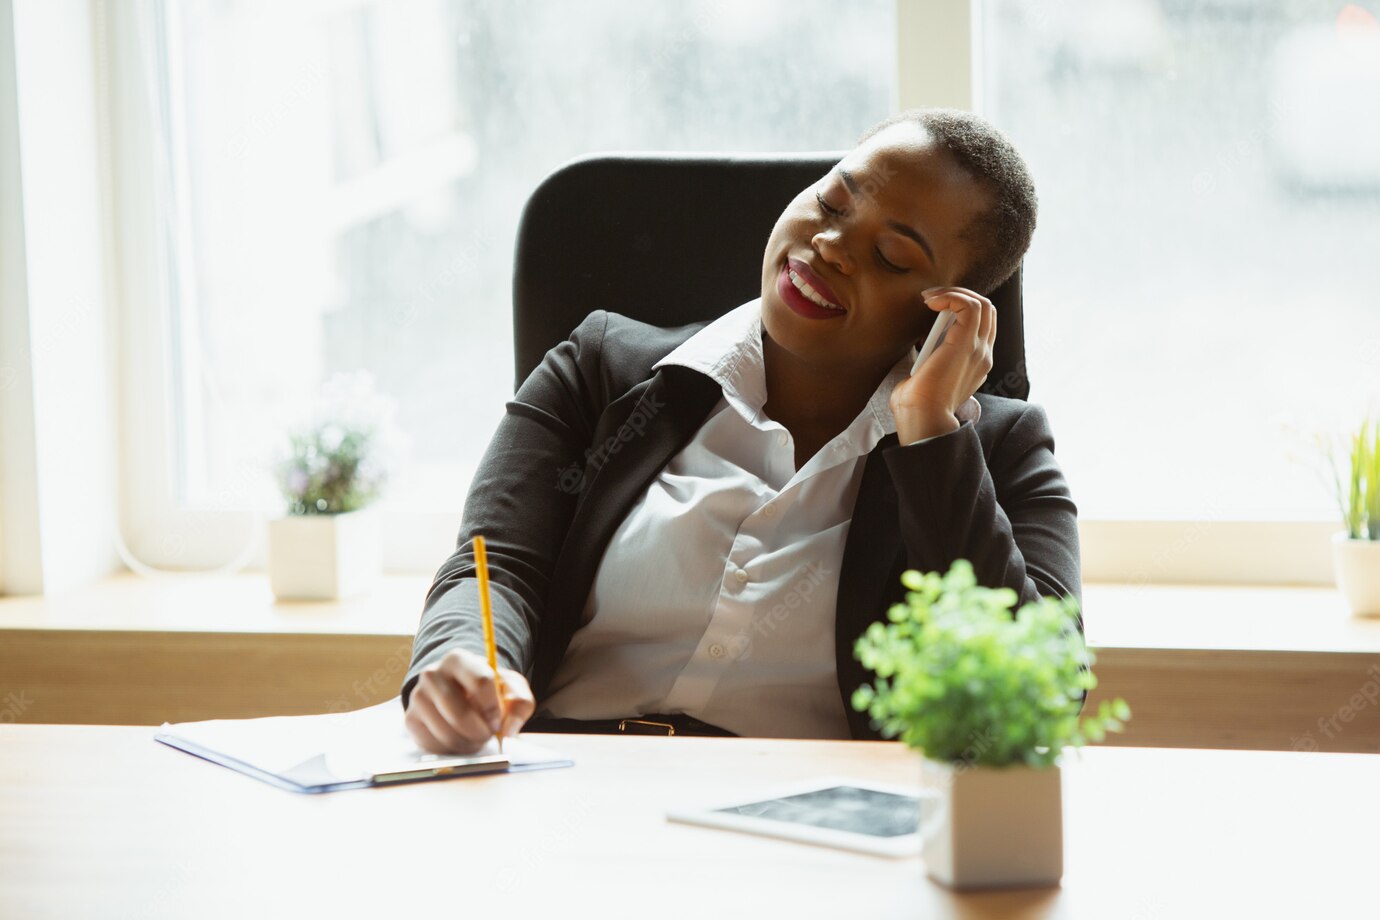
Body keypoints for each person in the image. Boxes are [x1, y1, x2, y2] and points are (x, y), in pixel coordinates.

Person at [400, 107, 1082, 755]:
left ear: (949, 317)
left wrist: (932, 439)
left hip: (804, 824)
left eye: (893, 257)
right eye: (833, 203)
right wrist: (466, 660)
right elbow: (498, 566)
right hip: (566, 778)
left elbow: (1036, 693)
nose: (831, 246)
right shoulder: (600, 369)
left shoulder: (999, 451)